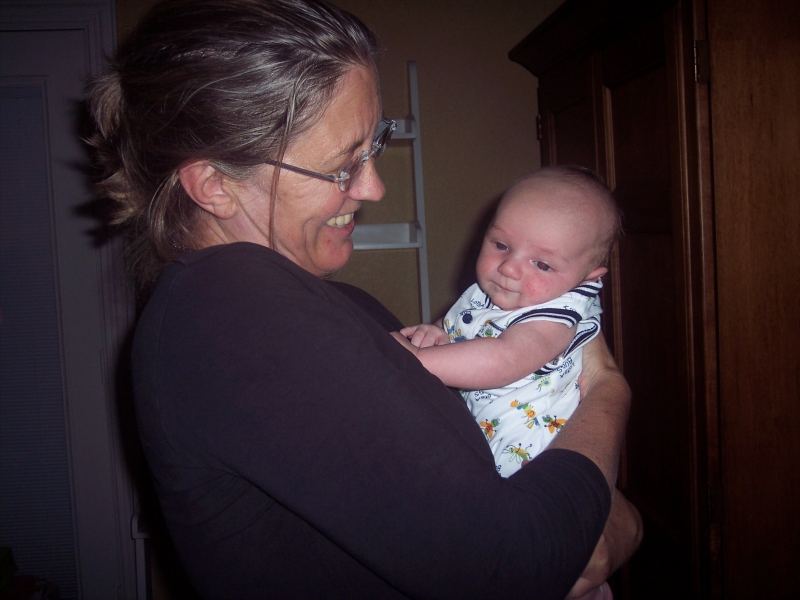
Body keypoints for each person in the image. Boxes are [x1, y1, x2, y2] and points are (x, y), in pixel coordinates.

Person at [88, 1, 641, 598]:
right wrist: (609, 392)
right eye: (341, 166)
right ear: (216, 185)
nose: (373, 186)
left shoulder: (310, 304)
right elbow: (521, 564)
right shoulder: (229, 315)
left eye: (373, 145)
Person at [394, 167, 620, 478]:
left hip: (525, 456)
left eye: (542, 264)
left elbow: (504, 359)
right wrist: (437, 332)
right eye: (501, 245)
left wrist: (417, 359)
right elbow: (465, 325)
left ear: (587, 278)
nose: (509, 268)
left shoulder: (555, 318)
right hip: (481, 434)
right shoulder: (503, 293)